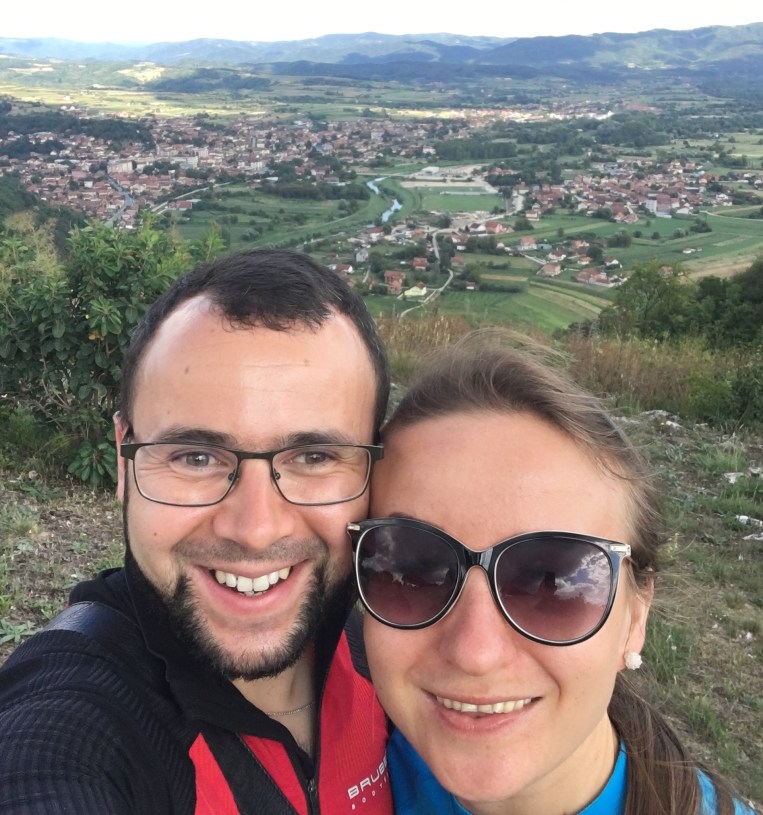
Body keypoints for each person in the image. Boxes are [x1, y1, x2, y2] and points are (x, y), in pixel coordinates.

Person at [0, 248, 393, 815]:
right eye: (196, 457)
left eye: (313, 457)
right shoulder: (75, 720)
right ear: (124, 460)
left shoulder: (394, 653)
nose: (256, 530)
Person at [350, 333, 755, 815]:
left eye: (552, 583)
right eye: (412, 570)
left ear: (636, 616)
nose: (475, 654)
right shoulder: (330, 769)